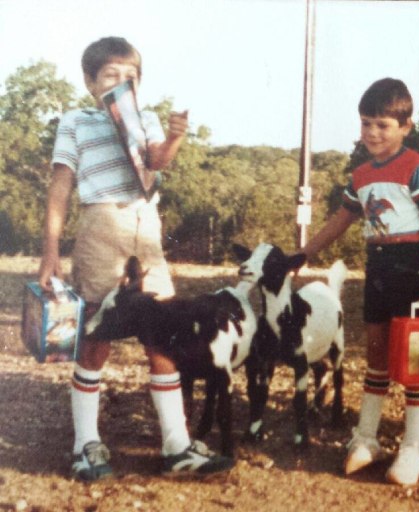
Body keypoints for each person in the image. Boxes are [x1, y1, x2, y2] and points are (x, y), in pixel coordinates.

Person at [38, 36, 233, 481]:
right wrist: (50, 251)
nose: (121, 82)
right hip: (101, 227)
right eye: (110, 75)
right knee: (95, 335)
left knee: (163, 337)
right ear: (89, 82)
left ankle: (177, 446)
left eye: (130, 76)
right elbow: (61, 186)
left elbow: (157, 161)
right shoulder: (75, 121)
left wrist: (177, 137)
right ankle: (85, 444)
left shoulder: (143, 118)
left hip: (147, 228)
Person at [300, 78, 419, 485]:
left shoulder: (418, 168)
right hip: (379, 267)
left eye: (382, 125)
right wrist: (303, 254)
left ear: (406, 126)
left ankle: (413, 445)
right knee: (377, 359)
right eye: (366, 123)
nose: (372, 133)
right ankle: (366, 437)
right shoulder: (360, 175)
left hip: (415, 266)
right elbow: (341, 220)